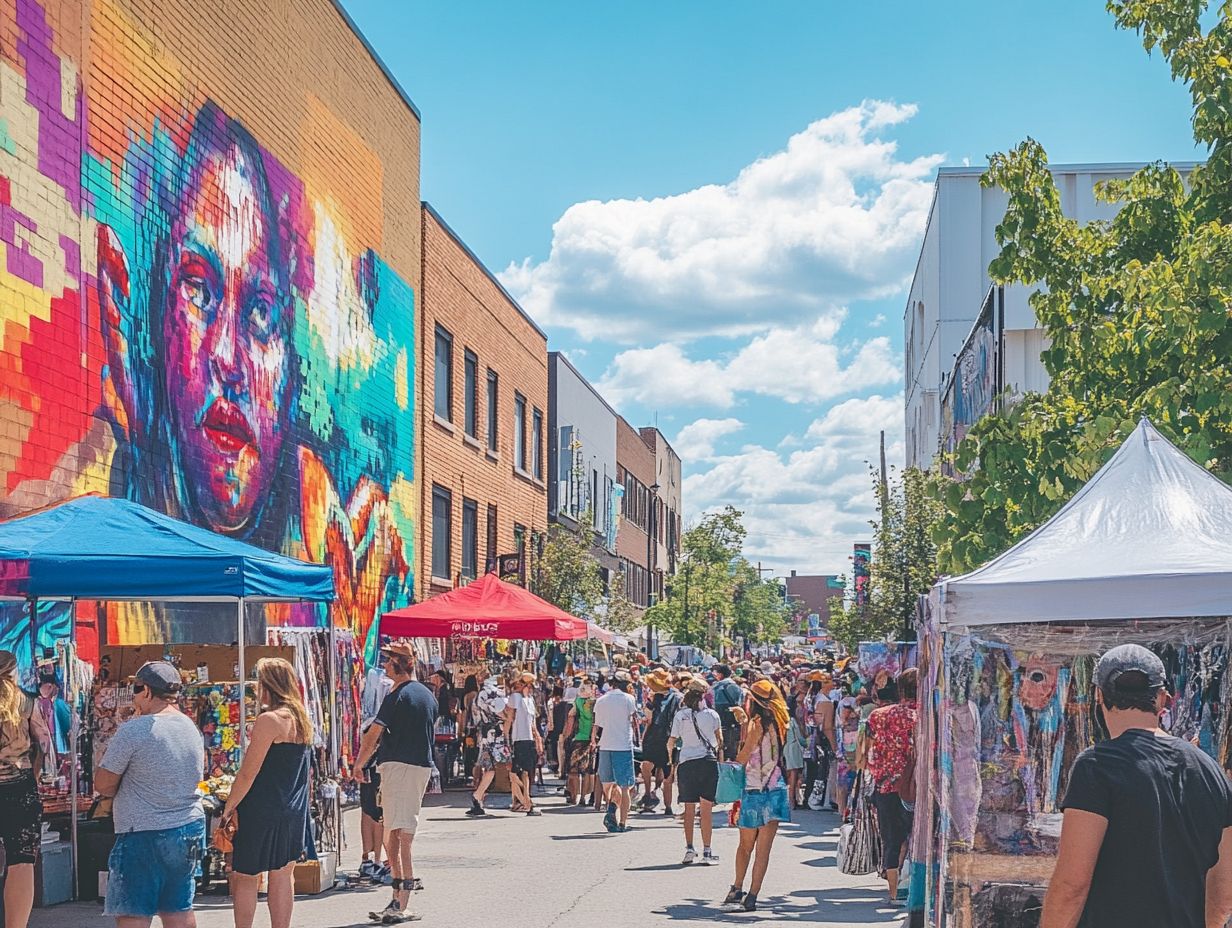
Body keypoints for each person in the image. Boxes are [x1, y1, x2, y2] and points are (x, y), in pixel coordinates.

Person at [1042, 644, 1232, 928]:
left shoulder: (1096, 766)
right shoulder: (1210, 771)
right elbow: (1224, 889)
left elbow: (1072, 883)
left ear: (1099, 695)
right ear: (1161, 698)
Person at [94, 661, 206, 928]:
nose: (133, 695)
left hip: (142, 831)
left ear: (146, 691)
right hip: (187, 826)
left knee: (134, 912)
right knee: (179, 908)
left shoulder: (135, 730)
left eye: (136, 688)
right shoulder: (189, 727)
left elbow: (104, 783)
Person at [222, 658, 312, 928]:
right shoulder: (301, 718)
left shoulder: (269, 720)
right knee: (283, 875)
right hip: (293, 808)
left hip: (262, 807)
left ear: (268, 685)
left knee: (246, 875)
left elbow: (249, 772)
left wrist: (229, 806)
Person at [353, 643, 437, 925]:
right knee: (396, 833)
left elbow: (374, 733)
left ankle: (402, 901)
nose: (386, 667)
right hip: (416, 768)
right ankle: (397, 899)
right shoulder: (427, 695)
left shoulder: (397, 696)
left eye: (389, 662)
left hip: (400, 767)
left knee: (398, 836)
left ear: (401, 664)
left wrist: (358, 763)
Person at [724, 679, 792, 913]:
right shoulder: (781, 722)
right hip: (776, 787)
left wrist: (727, 768)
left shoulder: (757, 724)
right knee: (764, 849)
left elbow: (744, 756)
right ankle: (752, 895)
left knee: (745, 846)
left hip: (754, 789)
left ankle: (737, 886)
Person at [0, 651, 51, 928]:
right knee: (21, 862)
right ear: (13, 672)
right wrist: (34, 773)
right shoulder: (27, 703)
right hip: (20, 787)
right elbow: (43, 743)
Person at [864, 669, 918, 906]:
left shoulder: (878, 715)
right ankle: (911, 887)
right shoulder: (922, 716)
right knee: (915, 836)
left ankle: (894, 891)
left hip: (885, 783)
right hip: (914, 785)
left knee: (891, 838)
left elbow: (868, 751)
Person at [667, 678, 722, 866]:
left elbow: (671, 741)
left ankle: (689, 848)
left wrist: (671, 762)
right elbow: (719, 741)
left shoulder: (680, 715)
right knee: (706, 809)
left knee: (688, 808)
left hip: (687, 762)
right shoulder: (713, 715)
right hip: (707, 761)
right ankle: (708, 850)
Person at [592, 669, 639, 833]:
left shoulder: (602, 700)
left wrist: (593, 740)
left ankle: (611, 810)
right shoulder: (629, 699)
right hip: (623, 746)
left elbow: (597, 725)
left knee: (608, 785)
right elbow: (633, 719)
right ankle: (622, 822)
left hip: (605, 745)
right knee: (625, 786)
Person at [466, 678, 510, 817]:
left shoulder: (478, 697)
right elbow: (501, 713)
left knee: (488, 767)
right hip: (495, 736)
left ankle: (478, 797)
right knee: (508, 766)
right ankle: (522, 799)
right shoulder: (491, 696)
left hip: (485, 735)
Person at [640, 669, 682, 815]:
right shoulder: (678, 697)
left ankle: (647, 795)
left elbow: (649, 719)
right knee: (668, 774)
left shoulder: (653, 699)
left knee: (646, 766)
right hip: (670, 737)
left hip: (653, 737)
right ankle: (668, 806)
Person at [504, 672, 543, 816]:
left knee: (526, 773)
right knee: (515, 773)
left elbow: (532, 723)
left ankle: (523, 801)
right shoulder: (516, 698)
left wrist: (538, 738)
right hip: (518, 739)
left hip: (529, 740)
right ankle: (525, 801)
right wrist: (505, 738)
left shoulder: (530, 700)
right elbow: (509, 717)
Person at [566, 679, 597, 806]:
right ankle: (583, 797)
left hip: (579, 738)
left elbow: (570, 715)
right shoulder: (594, 703)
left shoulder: (578, 702)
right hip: (590, 739)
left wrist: (568, 734)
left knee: (575, 771)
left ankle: (575, 796)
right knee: (586, 772)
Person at [712, 664, 743, 760]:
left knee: (720, 751)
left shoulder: (715, 688)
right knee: (733, 751)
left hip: (719, 722)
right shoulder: (737, 688)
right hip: (734, 722)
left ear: (720, 675)